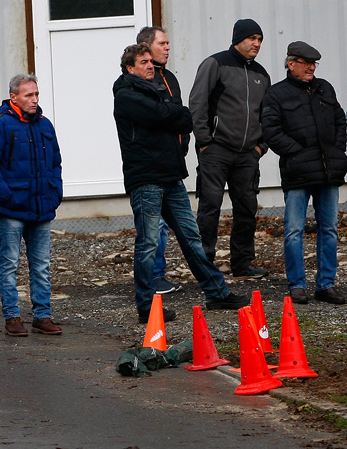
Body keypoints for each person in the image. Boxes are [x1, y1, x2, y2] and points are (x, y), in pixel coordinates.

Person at [113, 43, 248, 323]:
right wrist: (170, 111)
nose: (151, 66)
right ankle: (146, 306)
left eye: (151, 61)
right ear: (130, 68)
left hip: (171, 176)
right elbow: (164, 115)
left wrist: (170, 111)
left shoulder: (158, 90)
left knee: (192, 238)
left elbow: (185, 120)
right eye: (143, 62)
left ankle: (217, 293)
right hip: (146, 179)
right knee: (149, 243)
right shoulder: (126, 95)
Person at [261, 41, 347, 305]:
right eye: (305, 62)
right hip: (297, 173)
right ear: (291, 64)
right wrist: (298, 154)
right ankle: (297, 285)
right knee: (294, 230)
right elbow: (271, 131)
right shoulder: (276, 94)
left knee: (330, 229)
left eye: (314, 63)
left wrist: (337, 152)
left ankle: (326, 285)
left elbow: (339, 121)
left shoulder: (325, 88)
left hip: (327, 172)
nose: (311, 67)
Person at [0, 74, 64, 337]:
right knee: (10, 264)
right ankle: (12, 317)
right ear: (13, 97)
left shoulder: (45, 125)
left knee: (41, 265)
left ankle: (42, 315)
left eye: (36, 94)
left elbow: (55, 164)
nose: (34, 100)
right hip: (13, 209)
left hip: (41, 207)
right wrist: (6, 196)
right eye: (29, 95)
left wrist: (55, 193)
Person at [189, 19, 271, 279]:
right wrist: (204, 141)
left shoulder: (261, 74)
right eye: (252, 38)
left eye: (260, 39)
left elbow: (267, 115)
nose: (256, 43)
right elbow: (197, 101)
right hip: (216, 149)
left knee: (246, 207)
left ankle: (242, 264)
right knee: (210, 207)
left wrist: (261, 146)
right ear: (238, 39)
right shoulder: (216, 63)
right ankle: (205, 263)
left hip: (248, 153)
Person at [135, 26, 183, 294]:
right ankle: (152, 278)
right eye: (162, 43)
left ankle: (158, 274)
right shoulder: (141, 81)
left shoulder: (170, 78)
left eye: (168, 43)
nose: (167, 47)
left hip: (173, 162)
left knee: (174, 225)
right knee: (154, 227)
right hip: (152, 167)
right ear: (147, 47)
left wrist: (182, 146)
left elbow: (180, 115)